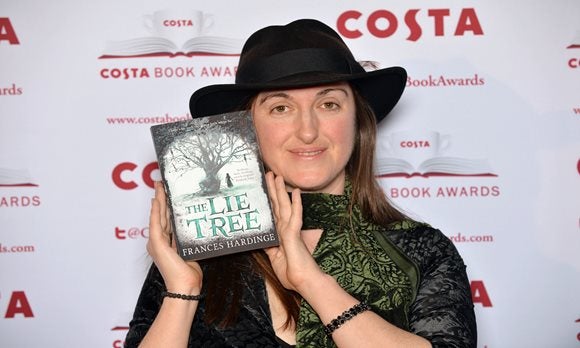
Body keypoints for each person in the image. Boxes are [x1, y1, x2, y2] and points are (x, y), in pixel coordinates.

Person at [125, 19, 476, 348]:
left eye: (328, 103)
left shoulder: (422, 249)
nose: (307, 131)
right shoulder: (200, 252)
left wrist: (311, 280)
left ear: (357, 121)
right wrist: (183, 290)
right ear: (246, 128)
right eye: (280, 108)